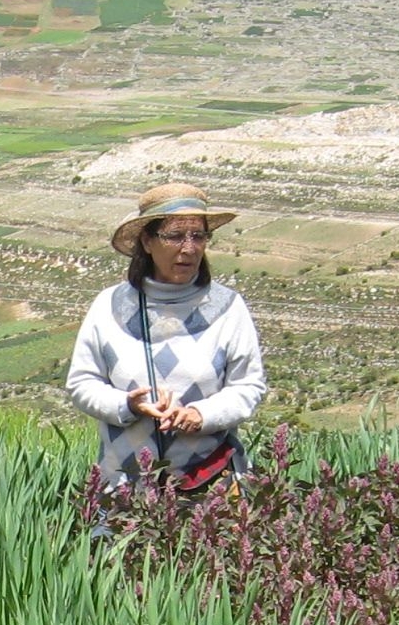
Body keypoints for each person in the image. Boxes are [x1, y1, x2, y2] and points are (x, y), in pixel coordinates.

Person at [64, 181, 266, 497]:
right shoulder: (108, 306)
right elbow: (81, 384)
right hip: (124, 489)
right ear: (147, 241)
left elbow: (248, 387)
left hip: (211, 488)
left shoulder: (229, 308)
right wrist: (127, 405)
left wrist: (202, 415)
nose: (189, 248)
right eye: (174, 236)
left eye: (198, 235)